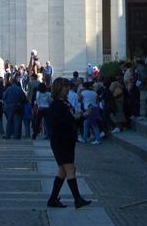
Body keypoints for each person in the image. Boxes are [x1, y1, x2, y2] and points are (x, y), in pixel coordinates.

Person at [44, 78, 91, 210]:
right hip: (61, 140)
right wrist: (75, 117)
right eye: (65, 86)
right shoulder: (56, 104)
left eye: (67, 86)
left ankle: (53, 199)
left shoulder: (65, 102)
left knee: (63, 171)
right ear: (58, 88)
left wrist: (81, 116)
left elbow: (70, 120)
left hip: (67, 139)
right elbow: (55, 123)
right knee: (70, 169)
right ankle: (77, 199)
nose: (67, 89)